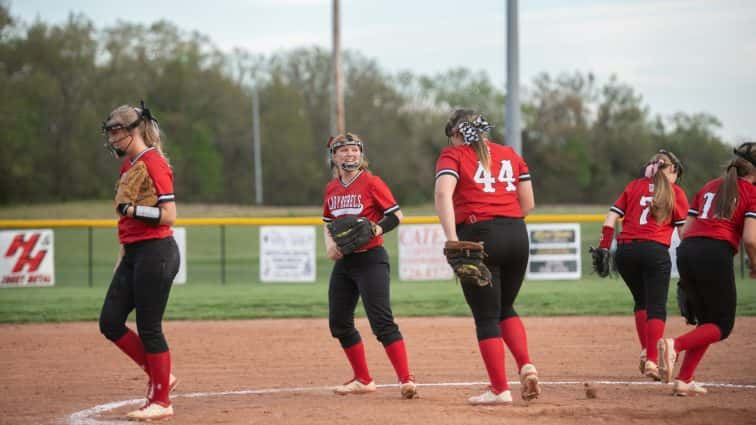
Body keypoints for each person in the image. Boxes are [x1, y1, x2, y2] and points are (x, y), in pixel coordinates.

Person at [434, 109, 540, 405]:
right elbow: (528, 203)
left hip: (480, 233)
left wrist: (453, 238)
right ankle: (526, 365)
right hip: (517, 233)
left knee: (486, 317)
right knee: (505, 306)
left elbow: (443, 195)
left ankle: (499, 389)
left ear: (456, 134)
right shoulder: (509, 153)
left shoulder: (452, 155)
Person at [98, 102, 180, 421]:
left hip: (156, 253)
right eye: (110, 133)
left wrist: (134, 210)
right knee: (110, 321)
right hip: (133, 253)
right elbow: (124, 222)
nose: (112, 139)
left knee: (149, 327)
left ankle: (161, 399)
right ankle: (160, 372)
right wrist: (122, 258)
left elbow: (169, 216)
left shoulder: (154, 162)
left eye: (116, 132)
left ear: (134, 131)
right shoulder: (129, 166)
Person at [322, 133, 417, 399]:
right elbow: (328, 223)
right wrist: (329, 245)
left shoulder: (372, 182)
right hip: (345, 262)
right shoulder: (331, 188)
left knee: (381, 321)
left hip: (371, 259)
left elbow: (396, 215)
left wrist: (376, 227)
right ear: (334, 157)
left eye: (354, 150)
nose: (349, 154)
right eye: (343, 150)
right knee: (339, 323)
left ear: (361, 154)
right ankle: (363, 379)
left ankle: (406, 379)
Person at [657, 142, 756, 396]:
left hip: (688, 251)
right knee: (722, 325)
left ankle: (684, 379)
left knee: (707, 323)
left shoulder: (709, 186)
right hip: (714, 253)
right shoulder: (752, 193)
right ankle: (674, 345)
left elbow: (687, 231)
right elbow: (751, 239)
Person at [595, 150, 688, 381]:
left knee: (641, 301)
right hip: (654, 251)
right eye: (677, 172)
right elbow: (683, 232)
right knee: (656, 306)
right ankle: (652, 362)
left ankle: (647, 351)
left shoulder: (634, 186)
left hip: (625, 251)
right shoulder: (675, 192)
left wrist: (605, 247)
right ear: (671, 170)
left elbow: (610, 219)